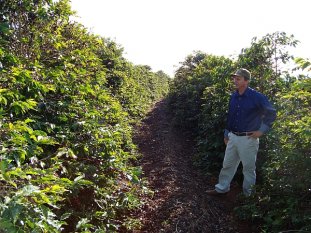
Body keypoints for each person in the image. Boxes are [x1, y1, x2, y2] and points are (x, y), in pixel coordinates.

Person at [206, 68, 276, 196]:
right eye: (234, 78)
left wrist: (261, 131)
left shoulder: (257, 97)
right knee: (227, 165)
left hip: (248, 139)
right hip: (233, 137)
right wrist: (227, 134)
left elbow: (271, 113)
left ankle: (248, 197)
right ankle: (221, 188)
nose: (235, 81)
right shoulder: (234, 96)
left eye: (238, 78)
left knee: (248, 169)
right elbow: (231, 116)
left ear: (246, 81)